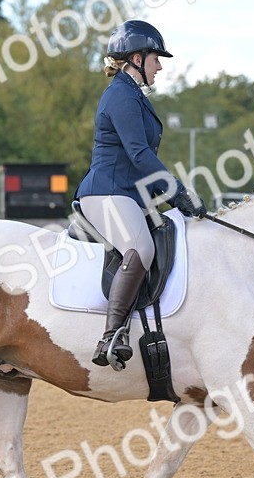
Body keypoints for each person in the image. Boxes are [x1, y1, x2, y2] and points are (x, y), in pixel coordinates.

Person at [75, 20, 207, 369]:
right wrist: (177, 192)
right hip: (106, 192)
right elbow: (138, 154)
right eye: (155, 59)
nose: (160, 66)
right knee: (141, 248)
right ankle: (111, 335)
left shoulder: (132, 95)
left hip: (128, 193)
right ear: (136, 58)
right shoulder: (120, 95)